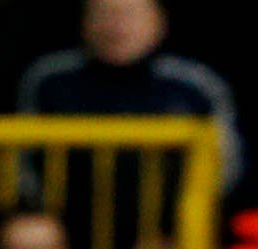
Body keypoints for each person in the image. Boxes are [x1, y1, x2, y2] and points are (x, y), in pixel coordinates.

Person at [19, 0, 242, 192]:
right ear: (85, 21)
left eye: (130, 14)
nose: (117, 25)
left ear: (159, 22)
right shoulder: (50, 80)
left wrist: (174, 231)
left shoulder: (194, 85)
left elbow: (226, 165)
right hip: (63, 224)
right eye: (104, 13)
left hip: (174, 230)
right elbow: (23, 161)